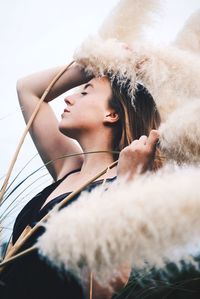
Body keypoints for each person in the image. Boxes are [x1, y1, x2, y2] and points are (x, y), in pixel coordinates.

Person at [0, 62, 161, 299]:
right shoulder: (69, 167)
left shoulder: (121, 187)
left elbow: (104, 287)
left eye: (85, 92)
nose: (68, 99)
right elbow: (28, 90)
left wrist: (127, 185)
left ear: (112, 114)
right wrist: (99, 60)